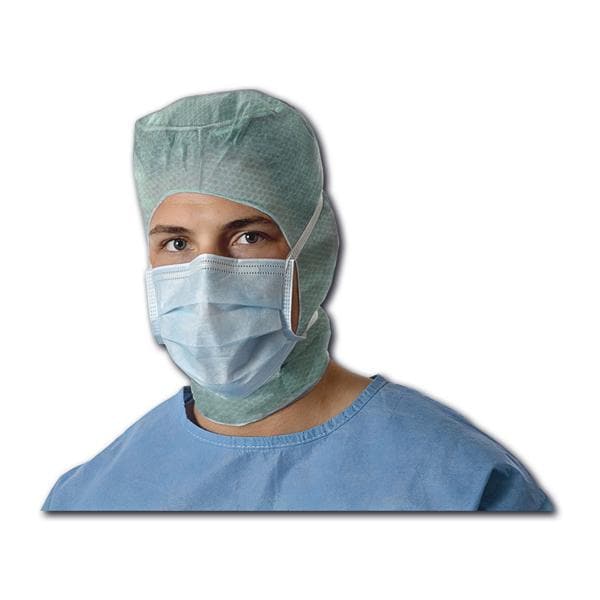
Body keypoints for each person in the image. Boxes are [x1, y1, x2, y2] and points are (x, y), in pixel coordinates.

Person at [41, 89, 554, 512]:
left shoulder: (460, 486)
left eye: (249, 237)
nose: (207, 278)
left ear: (312, 253)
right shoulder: (89, 497)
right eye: (177, 244)